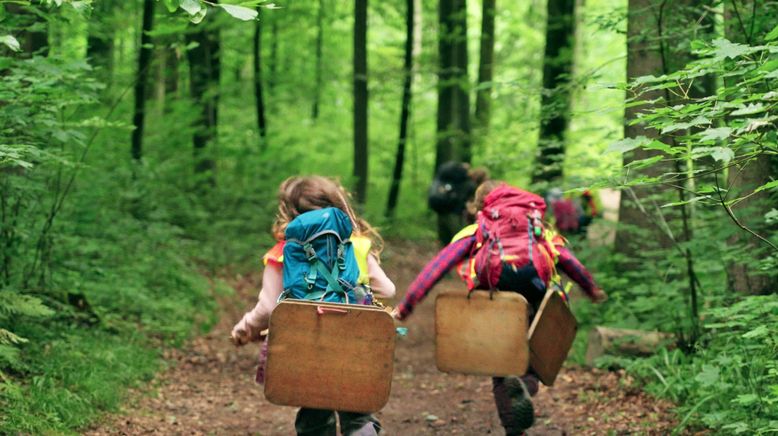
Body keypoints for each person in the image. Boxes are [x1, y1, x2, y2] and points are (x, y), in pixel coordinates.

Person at [393, 181, 607, 436]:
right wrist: (591, 289)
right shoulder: (537, 228)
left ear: (481, 206)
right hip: (537, 298)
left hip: (497, 299)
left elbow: (437, 267)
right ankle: (526, 386)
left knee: (501, 367)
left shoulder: (479, 229)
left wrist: (406, 307)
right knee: (534, 359)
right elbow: (570, 262)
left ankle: (514, 430)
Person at [231, 175, 396, 436]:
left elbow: (268, 309)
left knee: (314, 415)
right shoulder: (356, 245)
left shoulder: (283, 252)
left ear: (289, 212)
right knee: (358, 413)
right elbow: (387, 290)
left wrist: (244, 329)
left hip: (308, 347)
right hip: (353, 345)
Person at [428, 161, 489, 244]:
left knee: (445, 242)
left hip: (443, 211)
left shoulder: (461, 181)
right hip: (454, 214)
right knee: (459, 240)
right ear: (481, 177)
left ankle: (444, 256)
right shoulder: (471, 186)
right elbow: (469, 204)